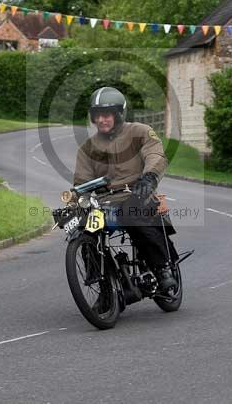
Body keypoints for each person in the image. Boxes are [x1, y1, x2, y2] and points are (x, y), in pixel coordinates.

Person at [73, 86, 178, 293]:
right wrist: (78, 200)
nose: (101, 120)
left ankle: (162, 268)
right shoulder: (88, 147)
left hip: (138, 193)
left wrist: (148, 178)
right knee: (84, 226)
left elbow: (155, 156)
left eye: (107, 115)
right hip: (105, 202)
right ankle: (102, 285)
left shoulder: (139, 132)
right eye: (97, 116)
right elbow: (81, 181)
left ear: (119, 114)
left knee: (132, 214)